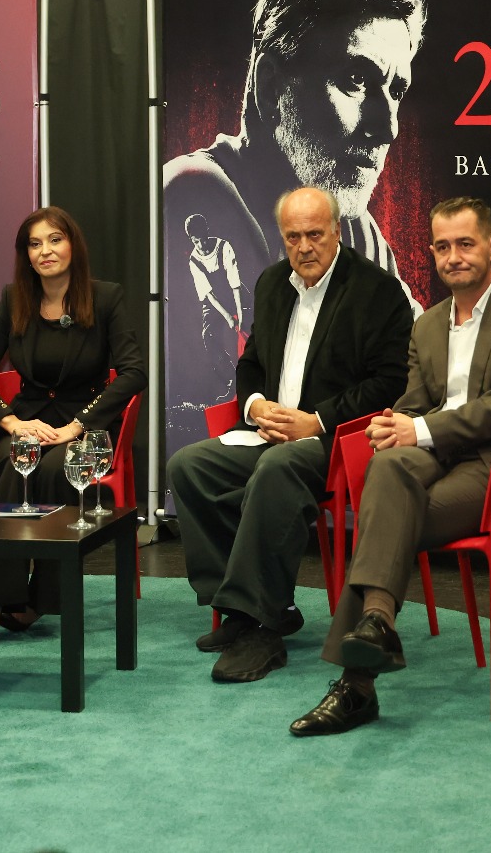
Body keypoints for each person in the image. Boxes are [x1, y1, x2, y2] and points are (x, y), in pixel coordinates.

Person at [290, 197, 491, 736]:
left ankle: (356, 685)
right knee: (388, 468)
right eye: (442, 246)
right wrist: (394, 425)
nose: (453, 257)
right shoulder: (429, 324)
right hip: (439, 457)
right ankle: (376, 625)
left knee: (386, 520)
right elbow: (415, 403)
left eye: (465, 244)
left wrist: (417, 430)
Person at [162, 0, 426, 440]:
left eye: (396, 91)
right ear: (270, 87)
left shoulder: (356, 229)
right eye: (356, 80)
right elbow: (224, 390)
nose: (387, 127)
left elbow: (416, 357)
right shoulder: (197, 190)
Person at [167, 186, 412, 683]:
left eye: (315, 235)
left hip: (336, 442)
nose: (304, 247)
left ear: (337, 232)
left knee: (278, 468)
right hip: (270, 431)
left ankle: (262, 625)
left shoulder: (377, 291)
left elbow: (389, 383)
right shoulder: (273, 283)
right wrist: (255, 405)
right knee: (187, 466)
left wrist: (316, 421)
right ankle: (240, 608)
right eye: (293, 237)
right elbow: (251, 363)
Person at [0, 206, 145, 646]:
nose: (45, 251)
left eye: (55, 240)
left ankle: (23, 598)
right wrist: (12, 423)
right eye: (34, 244)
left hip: (85, 425)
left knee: (51, 468)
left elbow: (134, 372)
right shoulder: (14, 299)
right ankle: (2, 599)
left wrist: (78, 426)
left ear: (72, 245)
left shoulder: (106, 297)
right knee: (16, 462)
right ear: (26, 255)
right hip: (28, 422)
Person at [184, 213, 245, 403]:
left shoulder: (224, 247)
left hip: (234, 295)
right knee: (208, 336)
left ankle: (252, 380)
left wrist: (239, 312)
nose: (201, 245)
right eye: (196, 242)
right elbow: (208, 294)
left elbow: (235, 283)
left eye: (203, 239)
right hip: (214, 302)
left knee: (250, 330)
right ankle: (233, 380)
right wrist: (227, 316)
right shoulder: (194, 260)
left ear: (207, 232)